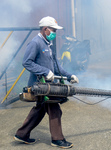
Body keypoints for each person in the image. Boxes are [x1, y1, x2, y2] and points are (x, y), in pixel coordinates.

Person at [14, 16, 79, 149]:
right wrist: (44, 71)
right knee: (54, 108)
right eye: (53, 30)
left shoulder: (48, 45)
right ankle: (57, 139)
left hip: (48, 85)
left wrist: (69, 75)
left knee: (40, 109)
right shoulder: (35, 43)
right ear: (45, 29)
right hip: (39, 85)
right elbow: (27, 62)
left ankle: (22, 134)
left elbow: (56, 66)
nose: (55, 33)